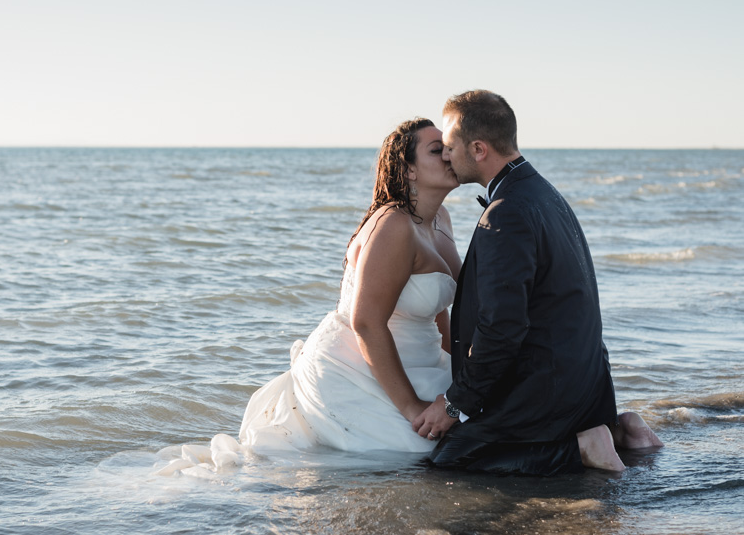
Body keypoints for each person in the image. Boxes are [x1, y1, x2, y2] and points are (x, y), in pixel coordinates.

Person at [412, 90, 662, 475]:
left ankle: (581, 446)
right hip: (585, 386)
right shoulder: (543, 192)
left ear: (478, 149)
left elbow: (502, 327)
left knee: (451, 461)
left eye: (449, 146)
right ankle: (618, 430)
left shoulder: (506, 212)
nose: (446, 155)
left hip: (546, 394)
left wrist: (454, 404)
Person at [238, 118, 461, 453]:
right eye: (436, 150)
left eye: (448, 148)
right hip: (358, 375)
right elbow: (366, 323)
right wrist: (412, 408)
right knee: (427, 455)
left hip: (423, 363)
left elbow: (437, 307)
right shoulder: (394, 226)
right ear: (409, 170)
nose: (448, 155)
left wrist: (461, 371)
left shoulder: (440, 217)